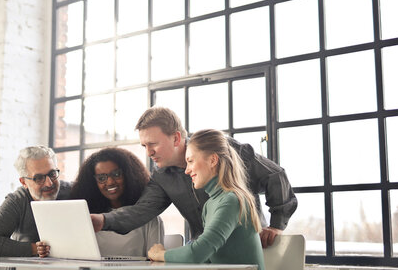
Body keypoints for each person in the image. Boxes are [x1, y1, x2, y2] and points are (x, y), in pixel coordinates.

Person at [91, 107, 297, 248]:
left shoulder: (223, 149)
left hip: (244, 252)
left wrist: (276, 225)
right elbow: (139, 212)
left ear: (176, 138)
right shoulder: (162, 177)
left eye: (153, 144)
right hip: (203, 256)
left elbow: (275, 175)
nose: (149, 152)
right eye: (144, 146)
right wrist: (102, 220)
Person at [147, 129, 265, 268]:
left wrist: (160, 254)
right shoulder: (210, 204)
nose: (187, 170)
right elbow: (207, 259)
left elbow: (197, 254)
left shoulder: (231, 201)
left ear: (213, 160)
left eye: (190, 161)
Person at [37, 147, 164, 258]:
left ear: (129, 175)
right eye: (101, 178)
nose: (110, 182)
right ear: (93, 183)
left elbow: (156, 262)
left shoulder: (149, 219)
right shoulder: (87, 218)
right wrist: (47, 249)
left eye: (116, 174)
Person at [0, 145, 71, 257]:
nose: (49, 183)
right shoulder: (17, 201)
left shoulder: (73, 191)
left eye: (52, 174)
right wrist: (36, 249)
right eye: (39, 178)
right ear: (23, 182)